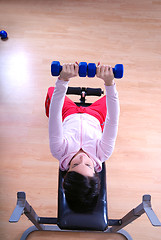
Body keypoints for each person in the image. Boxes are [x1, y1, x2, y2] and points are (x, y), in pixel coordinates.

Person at [46, 62, 120, 213]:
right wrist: (109, 83)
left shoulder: (59, 151)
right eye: (88, 165)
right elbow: (113, 118)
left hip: (69, 113)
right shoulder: (103, 152)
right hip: (95, 115)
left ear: (66, 172)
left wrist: (63, 80)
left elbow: (55, 114)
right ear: (96, 172)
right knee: (112, 101)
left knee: (52, 91)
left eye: (74, 165)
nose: (81, 159)